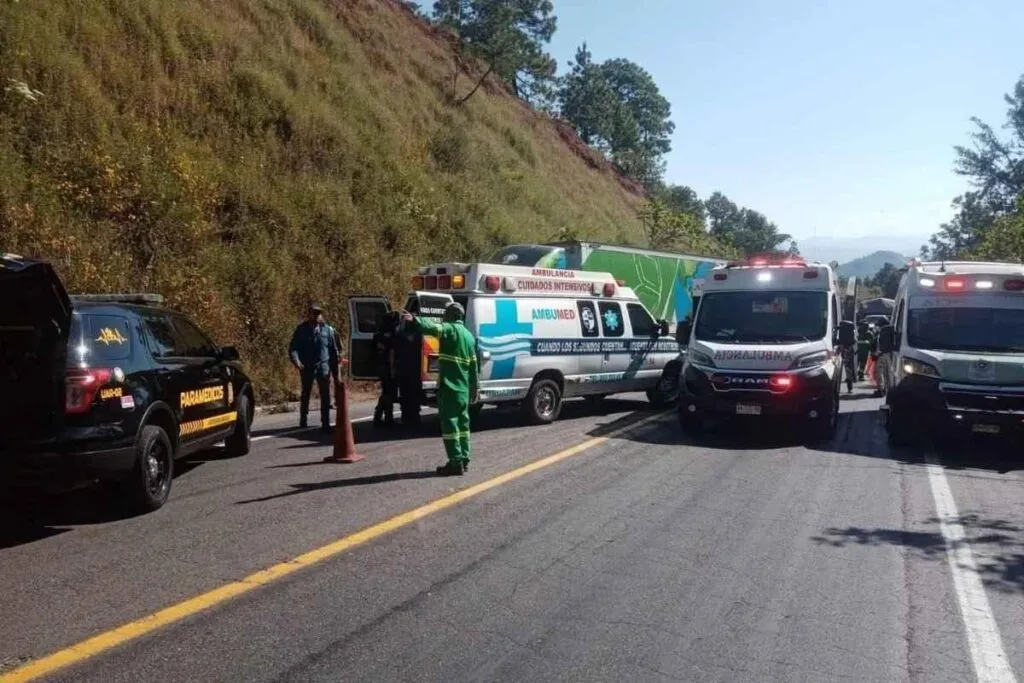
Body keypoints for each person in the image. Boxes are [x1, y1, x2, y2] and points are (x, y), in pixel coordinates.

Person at [401, 302, 478, 476]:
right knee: (463, 425)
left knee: (450, 425)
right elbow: (474, 368)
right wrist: (475, 388)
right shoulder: (469, 337)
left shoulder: (450, 329)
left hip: (450, 388)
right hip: (464, 390)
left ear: (450, 315)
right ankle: (464, 459)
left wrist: (415, 320)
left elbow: (432, 327)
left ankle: (455, 462)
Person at [288, 303, 341, 432]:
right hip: (307, 366)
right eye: (314, 313)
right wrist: (297, 361)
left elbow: (335, 352)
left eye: (318, 313)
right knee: (306, 392)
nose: (317, 315)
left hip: (324, 367)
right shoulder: (301, 330)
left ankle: (325, 422)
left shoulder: (328, 330)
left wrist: (336, 374)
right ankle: (303, 418)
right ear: (309, 314)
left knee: (325, 395)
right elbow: (293, 348)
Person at [393, 311, 424, 429]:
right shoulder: (419, 335)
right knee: (414, 394)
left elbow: (394, 352)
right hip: (415, 369)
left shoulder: (399, 335)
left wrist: (393, 368)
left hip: (403, 369)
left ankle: (406, 417)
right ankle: (415, 417)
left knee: (405, 395)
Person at [373, 311, 399, 428]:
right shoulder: (392, 334)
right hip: (388, 367)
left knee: (386, 391)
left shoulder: (379, 333)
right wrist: (393, 369)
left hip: (379, 366)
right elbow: (392, 353)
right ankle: (385, 417)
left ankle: (382, 416)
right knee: (389, 392)